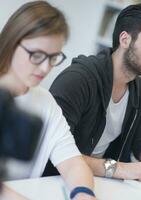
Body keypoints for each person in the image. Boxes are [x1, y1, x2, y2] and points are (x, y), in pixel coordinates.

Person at [47, 3, 141, 183]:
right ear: (124, 40)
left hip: (102, 182)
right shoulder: (78, 80)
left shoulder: (139, 89)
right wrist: (120, 168)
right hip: (57, 181)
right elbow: (55, 150)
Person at [0, 2, 96, 200]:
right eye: (36, 55)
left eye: (53, 58)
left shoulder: (45, 101)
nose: (45, 68)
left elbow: (72, 162)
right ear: (12, 42)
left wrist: (83, 193)